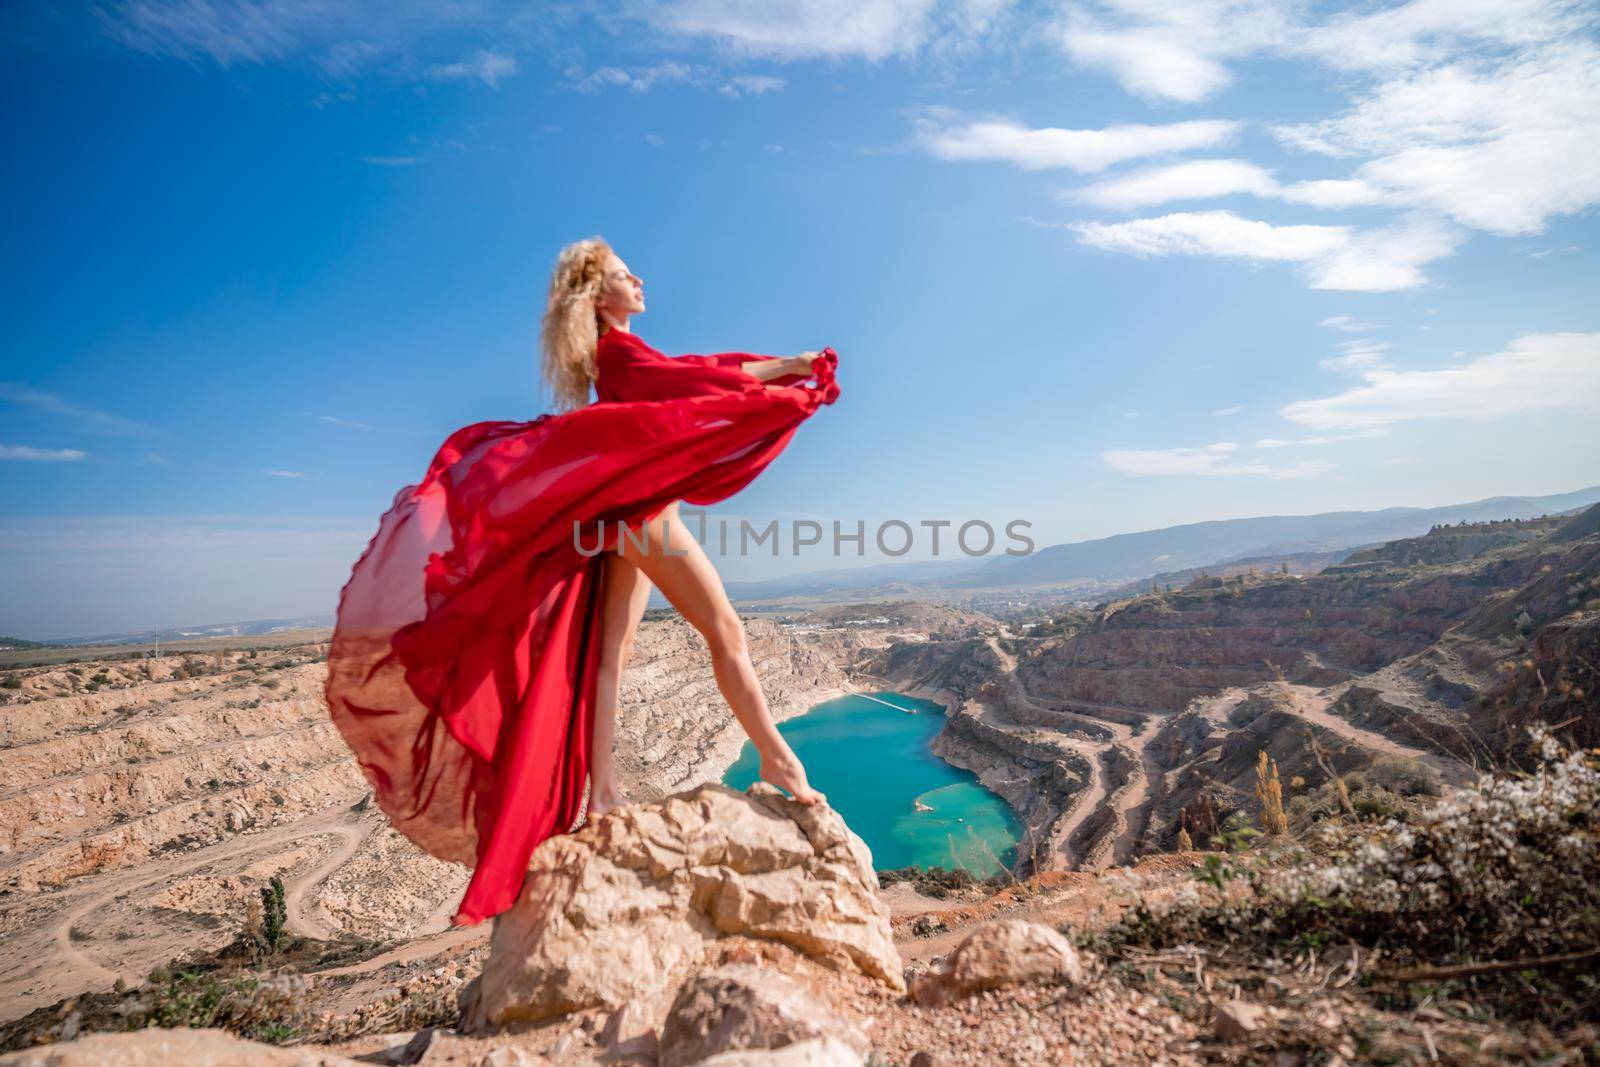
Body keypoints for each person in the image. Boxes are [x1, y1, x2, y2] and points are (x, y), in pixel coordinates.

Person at [323, 235, 839, 926]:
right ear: (600, 297)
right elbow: (697, 383)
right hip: (643, 517)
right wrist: (792, 373)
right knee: (726, 631)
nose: (642, 278)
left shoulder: (622, 353)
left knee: (611, 656)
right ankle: (778, 759)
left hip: (621, 519)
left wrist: (784, 369)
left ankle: (600, 790)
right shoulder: (621, 351)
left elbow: (704, 366)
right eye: (628, 274)